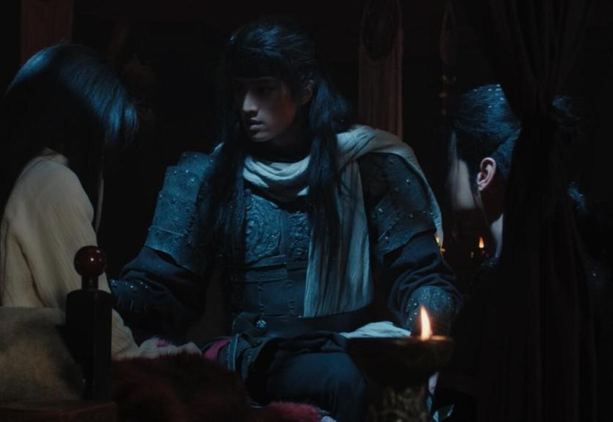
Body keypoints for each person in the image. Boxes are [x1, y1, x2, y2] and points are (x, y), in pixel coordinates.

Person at [110, 17, 460, 422]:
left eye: (263, 89)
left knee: (365, 382)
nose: (246, 106)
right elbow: (162, 289)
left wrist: (424, 336)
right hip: (252, 358)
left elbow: (419, 274)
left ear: (305, 90)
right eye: (239, 89)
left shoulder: (368, 166)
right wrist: (101, 295)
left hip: (345, 350)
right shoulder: (209, 176)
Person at [0, 43, 196, 359]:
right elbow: (102, 336)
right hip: (29, 379)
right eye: (106, 147)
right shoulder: (52, 181)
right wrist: (166, 360)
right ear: (89, 129)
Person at [438, 84, 612, 421]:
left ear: (484, 174)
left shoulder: (501, 285)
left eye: (451, 164)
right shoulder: (579, 269)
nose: (446, 182)